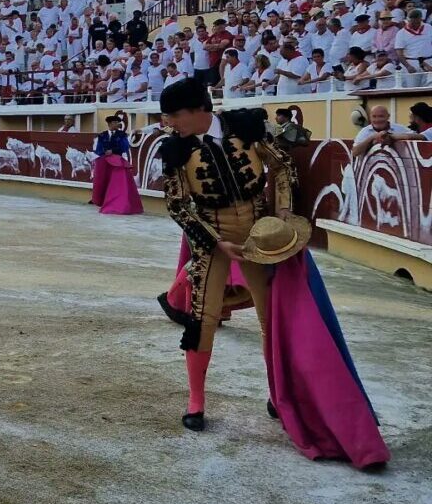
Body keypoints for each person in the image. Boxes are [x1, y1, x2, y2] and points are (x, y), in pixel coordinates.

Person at [157, 77, 388, 468]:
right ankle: (196, 401)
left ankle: (278, 393)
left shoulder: (245, 127)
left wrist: (281, 213)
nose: (169, 123)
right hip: (214, 241)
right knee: (202, 320)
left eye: (174, 115)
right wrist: (214, 242)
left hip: (259, 237)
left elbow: (281, 167)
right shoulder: (176, 149)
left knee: (272, 321)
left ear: (199, 110)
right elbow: (179, 205)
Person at [90, 115, 143, 214]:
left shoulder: (122, 135)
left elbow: (125, 147)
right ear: (110, 124)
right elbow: (98, 149)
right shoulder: (102, 135)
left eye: (118, 122)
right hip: (105, 160)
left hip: (116, 160)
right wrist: (104, 152)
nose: (117, 124)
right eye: (115, 122)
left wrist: (113, 151)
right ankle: (100, 199)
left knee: (115, 182)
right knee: (102, 180)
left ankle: (113, 201)